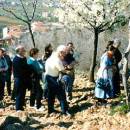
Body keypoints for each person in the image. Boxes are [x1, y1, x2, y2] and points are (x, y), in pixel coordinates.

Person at [45, 45, 70, 115]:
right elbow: (62, 70)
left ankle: (50, 110)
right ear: (60, 52)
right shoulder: (57, 60)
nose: (65, 55)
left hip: (48, 77)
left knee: (51, 95)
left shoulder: (52, 56)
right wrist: (68, 71)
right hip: (53, 78)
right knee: (61, 94)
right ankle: (64, 110)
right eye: (64, 53)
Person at [13, 45, 31, 111]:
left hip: (24, 79)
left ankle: (21, 107)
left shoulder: (24, 58)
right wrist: (29, 70)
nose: (24, 50)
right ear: (18, 51)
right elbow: (21, 70)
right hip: (19, 79)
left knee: (23, 94)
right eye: (22, 49)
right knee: (19, 94)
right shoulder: (16, 59)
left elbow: (26, 67)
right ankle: (18, 109)